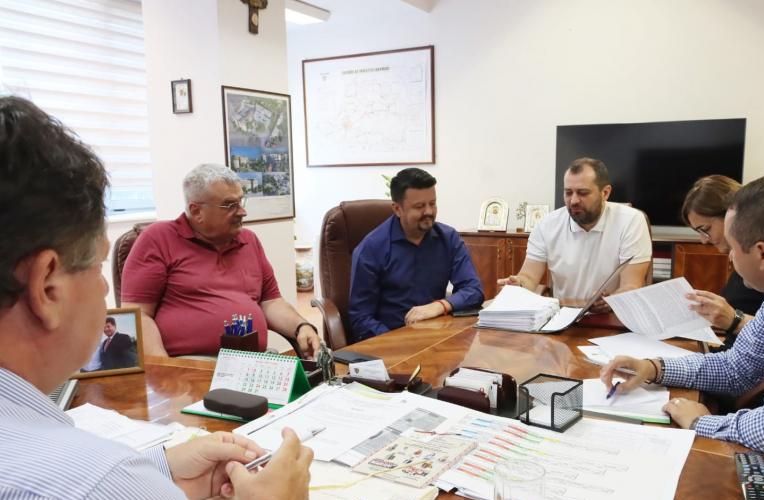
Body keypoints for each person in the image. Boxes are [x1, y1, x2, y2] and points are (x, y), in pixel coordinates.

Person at [0, 96, 332, 500]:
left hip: (247, 371)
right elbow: (141, 315)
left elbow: (270, 300)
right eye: (96, 267)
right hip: (190, 377)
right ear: (47, 287)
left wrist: (159, 467)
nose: (105, 289)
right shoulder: (96, 490)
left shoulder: (70, 472)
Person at [601, 171, 764, 452]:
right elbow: (737, 367)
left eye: (732, 247)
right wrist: (654, 368)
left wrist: (702, 422)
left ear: (763, 254)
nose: (728, 255)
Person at [121, 163, 320, 358]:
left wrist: (301, 326)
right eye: (230, 205)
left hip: (251, 362)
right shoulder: (158, 239)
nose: (242, 212)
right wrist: (166, 371)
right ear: (196, 211)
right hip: (189, 365)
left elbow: (271, 302)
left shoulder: (249, 241)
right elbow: (138, 315)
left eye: (241, 201)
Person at [498, 158, 652, 312]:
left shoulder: (630, 221)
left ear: (605, 193)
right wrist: (519, 285)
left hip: (614, 315)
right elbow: (529, 277)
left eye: (583, 193)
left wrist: (610, 301)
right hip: (563, 314)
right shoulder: (547, 225)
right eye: (568, 193)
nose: (573, 201)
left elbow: (631, 285)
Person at [349, 167, 484, 341]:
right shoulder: (372, 248)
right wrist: (397, 342)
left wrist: (440, 306)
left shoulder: (448, 238)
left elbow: (473, 290)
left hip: (437, 337)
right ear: (397, 209)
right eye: (419, 206)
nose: (429, 211)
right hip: (391, 341)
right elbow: (361, 318)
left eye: (432, 203)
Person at [680, 175, 764, 349]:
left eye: (706, 229)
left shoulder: (763, 261)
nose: (704, 240)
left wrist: (734, 320)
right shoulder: (742, 259)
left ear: (731, 216)